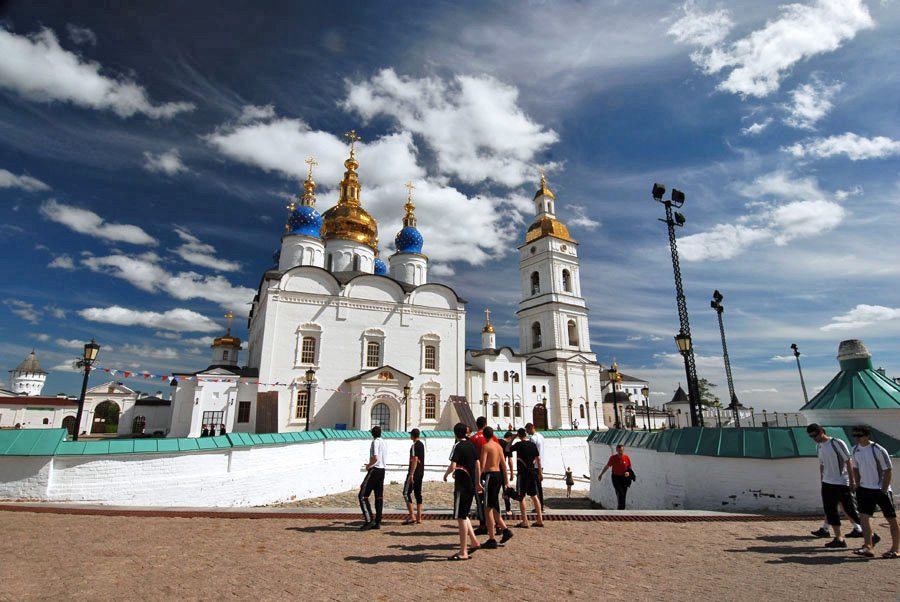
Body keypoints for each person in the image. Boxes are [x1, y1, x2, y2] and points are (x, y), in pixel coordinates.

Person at [806, 423, 861, 548]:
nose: (814, 438)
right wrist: (822, 479)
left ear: (821, 432)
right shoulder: (819, 446)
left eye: (815, 435)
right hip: (828, 482)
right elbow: (822, 464)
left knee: (849, 509)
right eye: (811, 436)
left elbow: (848, 460)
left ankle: (866, 532)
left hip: (841, 481)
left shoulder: (836, 443)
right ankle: (838, 538)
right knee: (830, 510)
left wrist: (852, 480)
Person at [850, 425, 899, 558]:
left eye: (860, 435)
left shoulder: (877, 449)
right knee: (865, 518)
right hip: (865, 488)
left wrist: (883, 487)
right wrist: (857, 483)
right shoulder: (855, 450)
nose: (857, 438)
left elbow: (887, 469)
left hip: (879, 489)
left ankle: (895, 549)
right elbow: (855, 467)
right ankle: (868, 546)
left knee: (891, 519)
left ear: (867, 436)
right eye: (855, 435)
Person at [444, 422, 480, 560]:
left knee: (460, 517)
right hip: (471, 484)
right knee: (464, 515)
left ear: (455, 434)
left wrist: (446, 474)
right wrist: (477, 482)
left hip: (461, 485)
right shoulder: (471, 445)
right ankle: (475, 541)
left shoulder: (457, 446)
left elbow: (453, 465)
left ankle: (463, 552)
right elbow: (477, 464)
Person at [479, 426, 514, 547]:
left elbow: (482, 465)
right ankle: (505, 530)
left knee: (487, 507)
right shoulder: (499, 446)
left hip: (490, 475)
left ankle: (492, 538)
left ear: (484, 436)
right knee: (492, 505)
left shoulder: (486, 446)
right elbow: (504, 465)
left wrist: (478, 479)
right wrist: (506, 481)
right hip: (499, 475)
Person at [506, 428, 544, 527]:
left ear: (519, 435)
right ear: (526, 434)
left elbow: (507, 448)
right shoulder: (532, 445)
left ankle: (525, 521)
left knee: (521, 497)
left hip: (522, 474)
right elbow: (538, 459)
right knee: (534, 496)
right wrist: (540, 473)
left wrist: (513, 438)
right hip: (532, 472)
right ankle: (540, 519)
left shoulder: (519, 445)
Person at [359, 425, 386, 530]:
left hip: (375, 470)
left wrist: (368, 465)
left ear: (372, 434)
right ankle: (378, 521)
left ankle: (369, 520)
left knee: (362, 495)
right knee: (379, 497)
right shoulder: (384, 442)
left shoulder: (375, 442)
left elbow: (375, 457)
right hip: (382, 470)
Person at [470, 417, 492, 534]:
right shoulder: (492, 438)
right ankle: (495, 524)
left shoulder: (473, 439)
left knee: (480, 499)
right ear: (485, 424)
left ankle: (483, 524)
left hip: (479, 472)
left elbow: (472, 456)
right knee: (492, 499)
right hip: (492, 471)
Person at [598, 444, 632, 510]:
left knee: (623, 494)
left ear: (623, 450)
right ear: (616, 450)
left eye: (621, 450)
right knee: (620, 492)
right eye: (619, 450)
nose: (620, 452)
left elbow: (629, 467)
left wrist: (628, 472)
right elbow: (607, 466)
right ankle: (620, 509)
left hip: (624, 478)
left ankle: (621, 509)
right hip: (616, 478)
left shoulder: (626, 457)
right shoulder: (613, 458)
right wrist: (601, 474)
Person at [402, 428, 425, 525]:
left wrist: (411, 474)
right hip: (420, 472)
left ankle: (412, 516)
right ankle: (419, 517)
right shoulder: (422, 444)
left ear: (413, 435)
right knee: (418, 493)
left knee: (406, 493)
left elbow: (415, 459)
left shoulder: (415, 445)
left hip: (414, 472)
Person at [526, 423, 546, 510]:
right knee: (539, 486)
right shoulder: (541, 436)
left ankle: (539, 506)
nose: (527, 432)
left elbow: (531, 453)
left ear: (530, 429)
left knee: (535, 487)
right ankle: (540, 505)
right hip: (540, 465)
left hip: (534, 465)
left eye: (527, 430)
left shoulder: (532, 439)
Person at [497, 430, 515, 517]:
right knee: (506, 489)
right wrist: (511, 473)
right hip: (502, 469)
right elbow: (510, 461)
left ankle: (494, 508)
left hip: (494, 468)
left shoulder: (496, 441)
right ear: (510, 438)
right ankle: (508, 509)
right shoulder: (508, 445)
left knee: (494, 490)